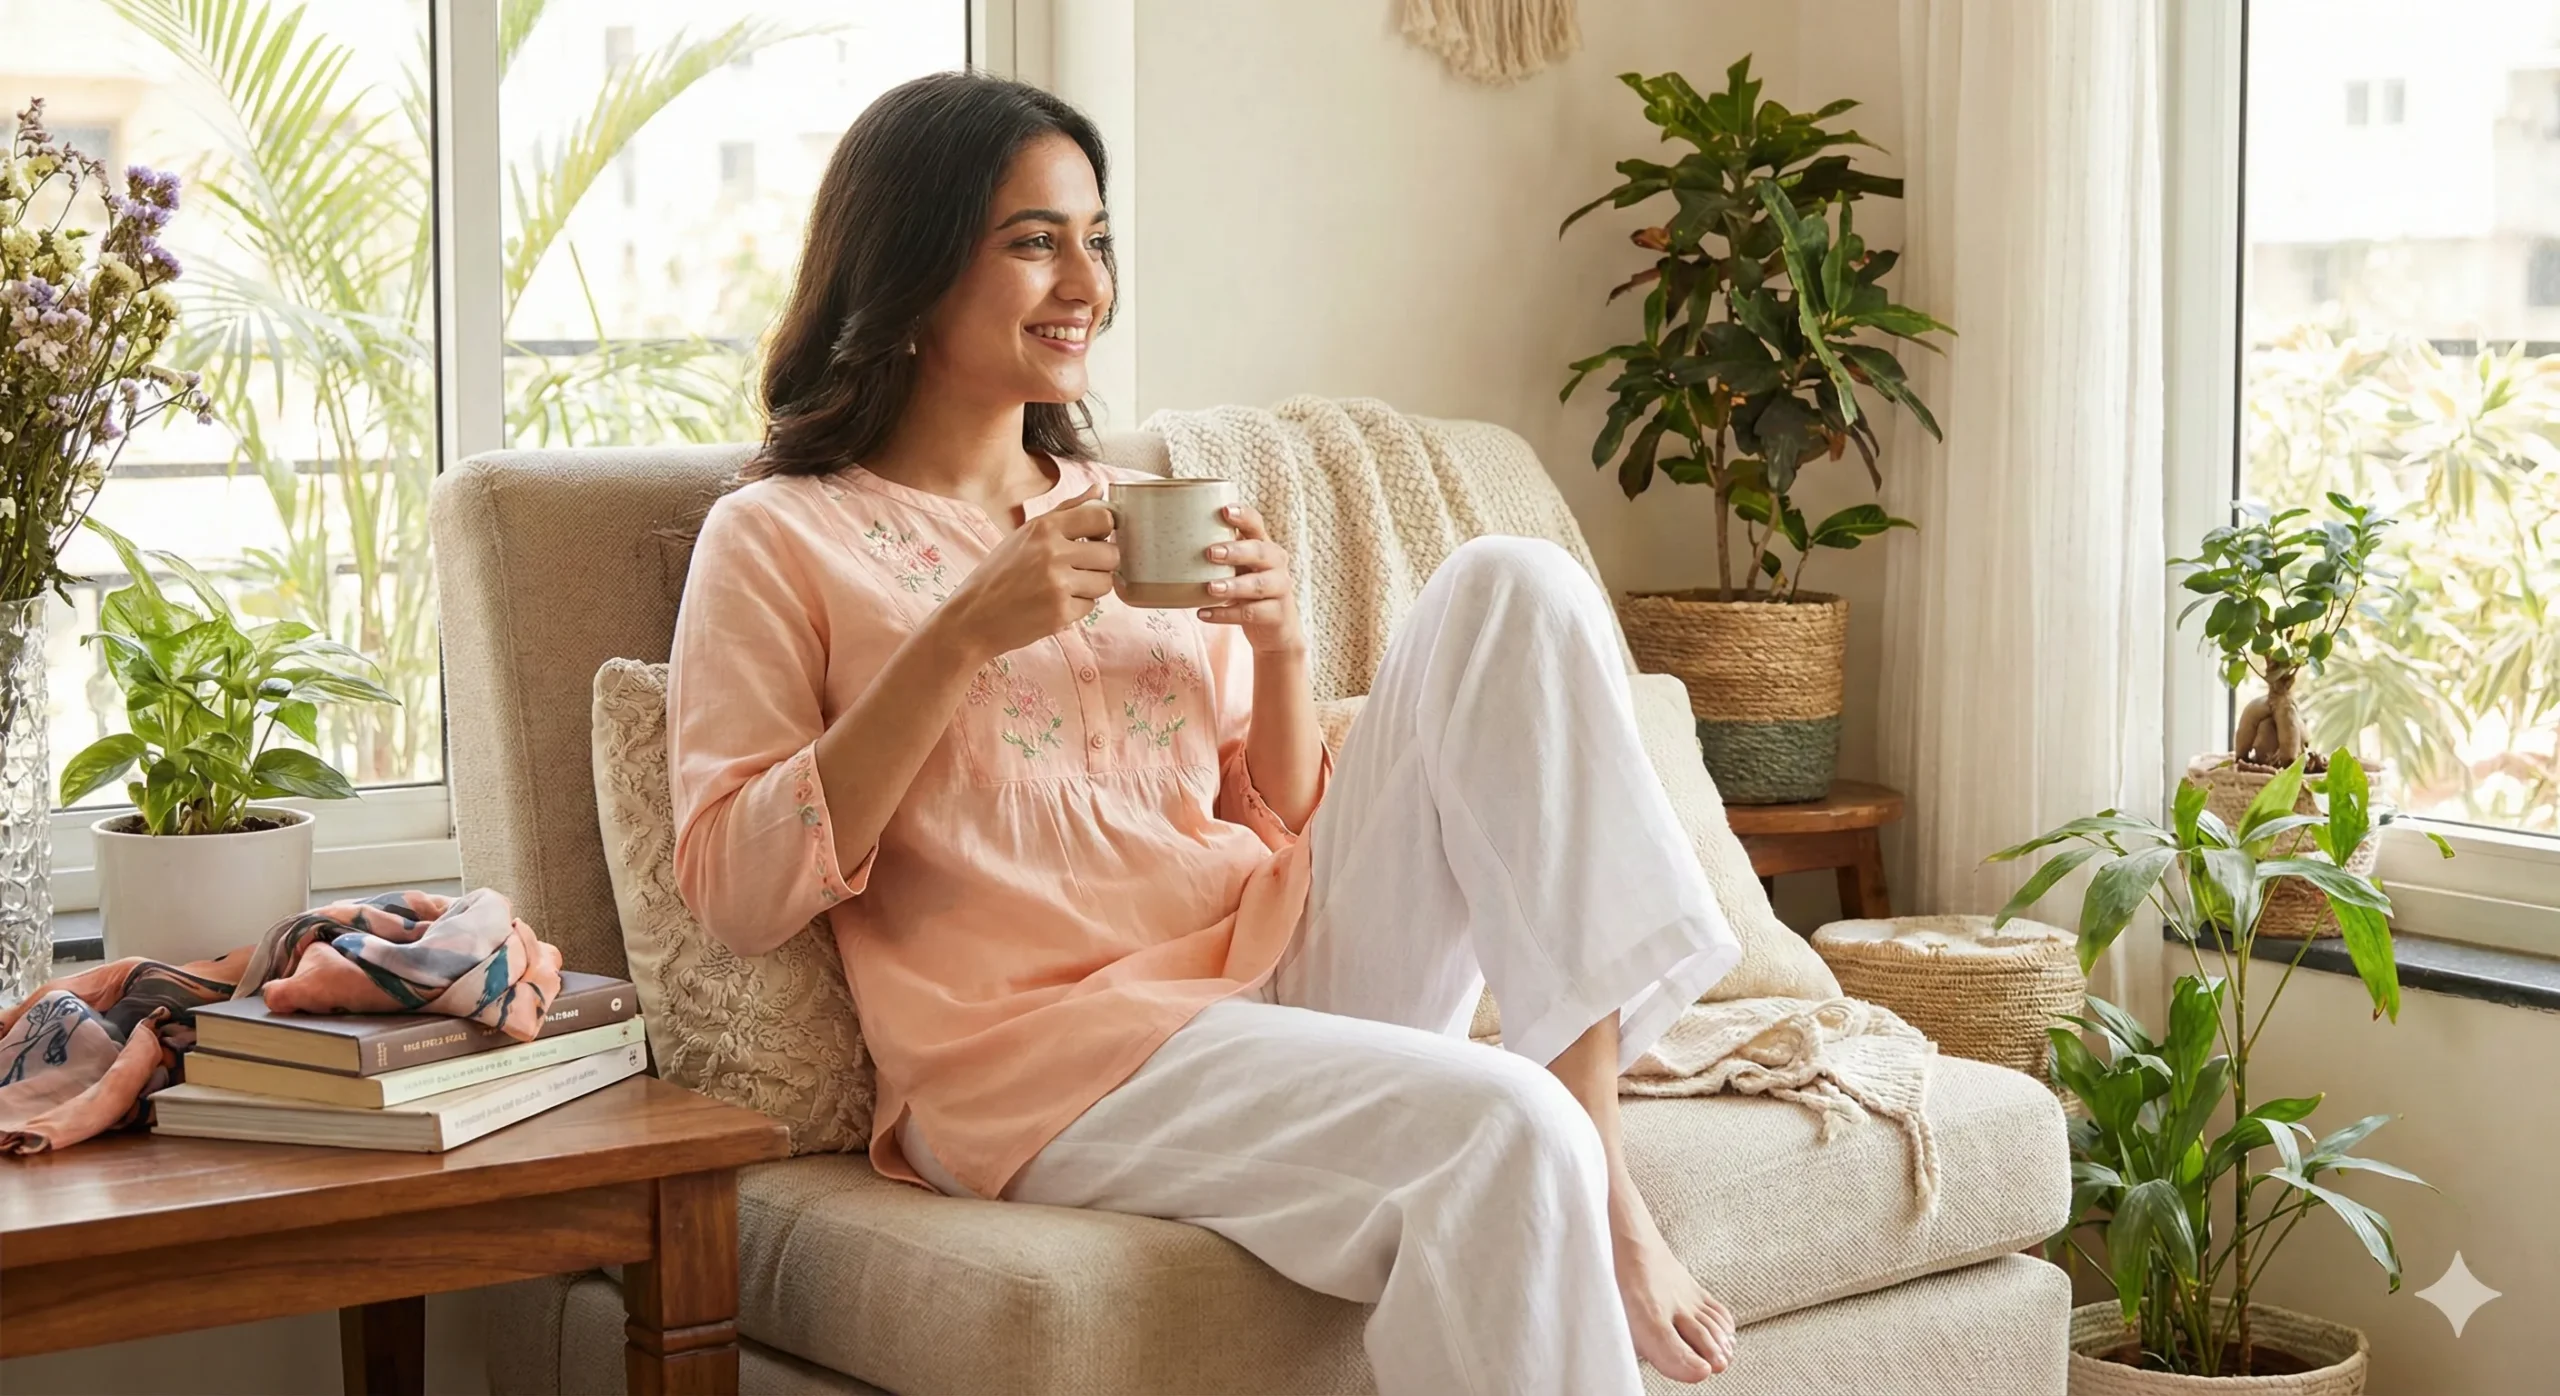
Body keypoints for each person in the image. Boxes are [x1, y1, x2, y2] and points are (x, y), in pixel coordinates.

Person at [668, 71, 1743, 1392]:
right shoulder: (779, 535)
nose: (1085, 283)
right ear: (909, 264)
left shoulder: (1133, 508)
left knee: (1511, 583)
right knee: (1500, 1127)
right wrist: (958, 637)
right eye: (1034, 242)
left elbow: (1278, 812)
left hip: (1273, 965)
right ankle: (1568, 1154)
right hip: (1046, 1061)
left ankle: (1607, 1175)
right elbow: (732, 885)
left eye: (1096, 239)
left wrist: (1284, 647)